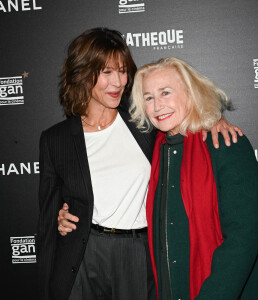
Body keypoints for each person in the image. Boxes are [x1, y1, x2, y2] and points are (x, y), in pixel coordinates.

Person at [37, 28, 242, 300]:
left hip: (137, 252)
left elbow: (182, 109)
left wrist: (214, 119)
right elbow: (48, 221)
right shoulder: (55, 140)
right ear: (83, 72)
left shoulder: (143, 123)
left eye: (122, 71)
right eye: (107, 72)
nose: (118, 82)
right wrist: (59, 219)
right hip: (82, 256)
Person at [128, 57, 258, 299]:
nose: (157, 106)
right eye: (149, 97)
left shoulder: (225, 144)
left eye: (165, 93)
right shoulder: (156, 151)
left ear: (190, 93)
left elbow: (242, 239)